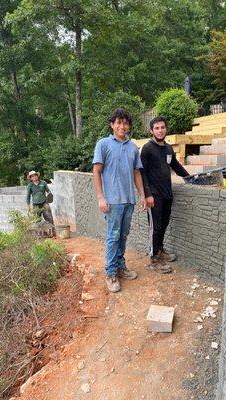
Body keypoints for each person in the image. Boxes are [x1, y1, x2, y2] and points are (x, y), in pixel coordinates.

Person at [93, 108, 146, 293]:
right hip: (112, 201)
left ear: (129, 126)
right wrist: (101, 197)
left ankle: (120, 266)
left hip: (129, 200)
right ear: (112, 124)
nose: (122, 126)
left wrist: (141, 195)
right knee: (113, 236)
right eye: (118, 122)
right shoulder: (104, 144)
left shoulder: (133, 147)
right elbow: (97, 172)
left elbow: (137, 172)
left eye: (125, 123)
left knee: (123, 235)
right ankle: (111, 273)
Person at [141, 116, 189, 273]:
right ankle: (154, 258)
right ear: (151, 130)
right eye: (157, 128)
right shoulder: (147, 149)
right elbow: (142, 173)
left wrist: (190, 177)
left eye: (162, 127)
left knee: (164, 224)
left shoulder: (168, 149)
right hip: (154, 196)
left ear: (166, 129)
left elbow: (175, 165)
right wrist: (147, 194)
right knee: (155, 227)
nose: (160, 130)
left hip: (167, 194)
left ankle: (160, 249)